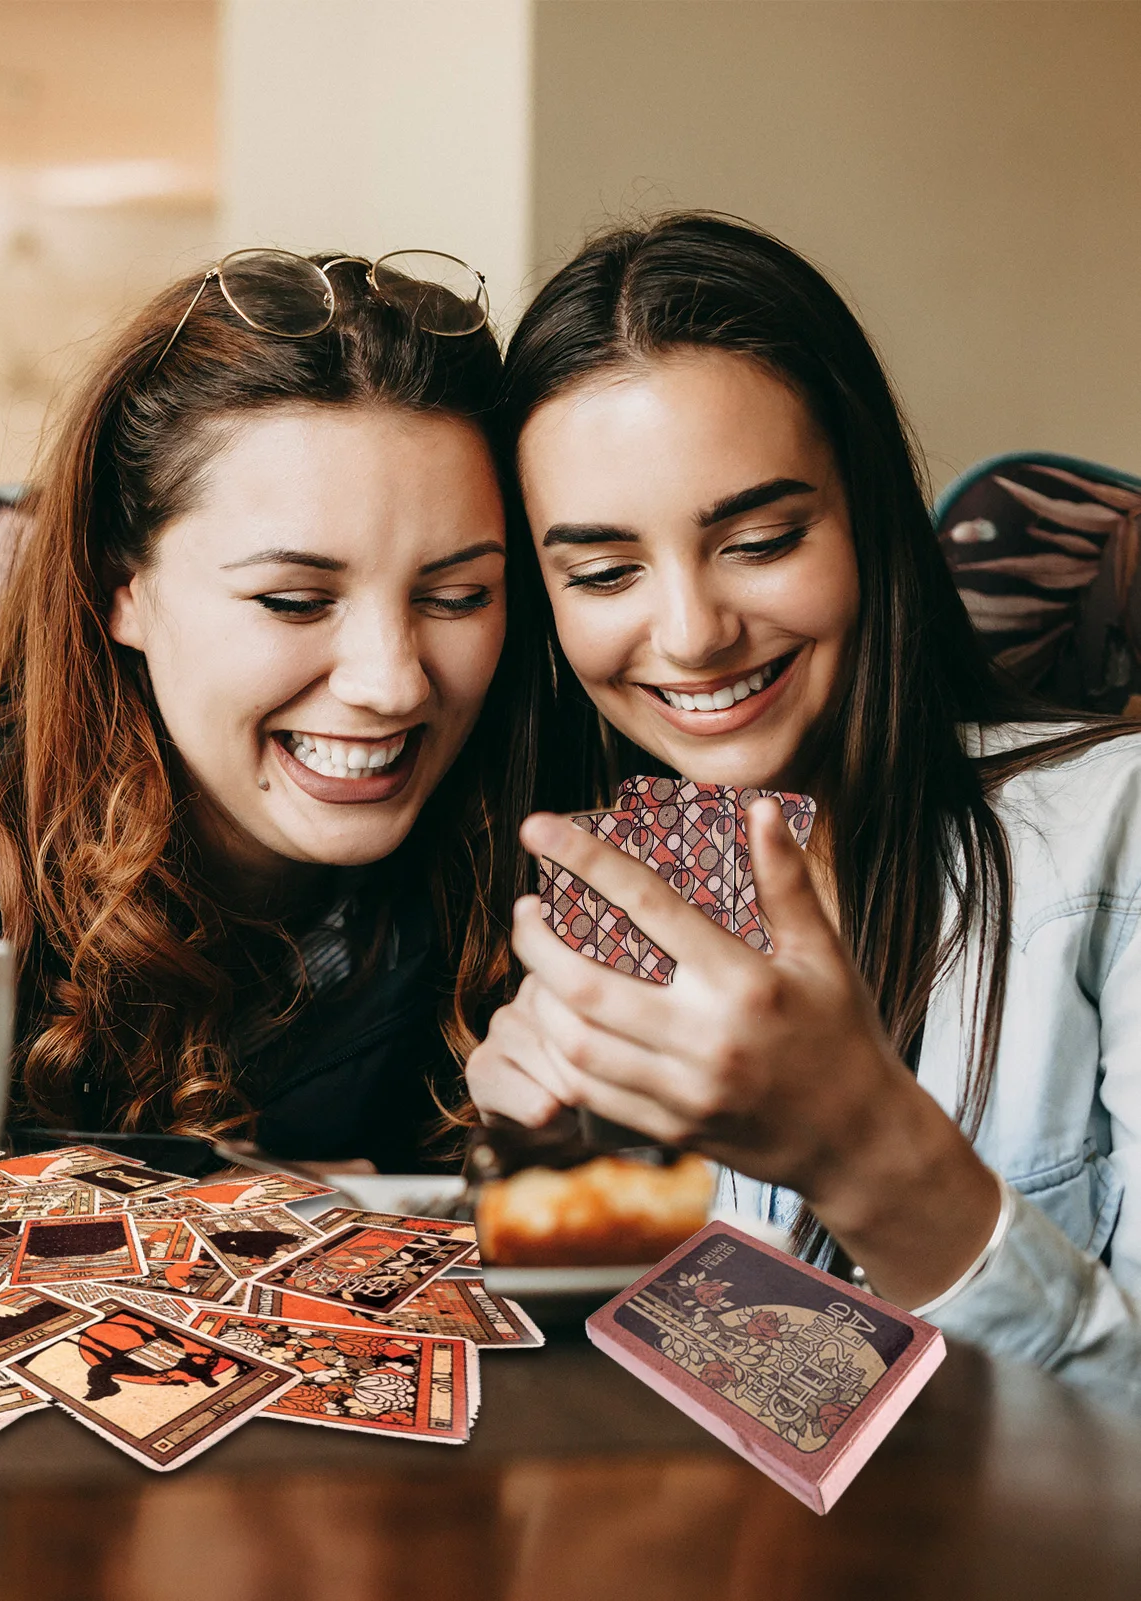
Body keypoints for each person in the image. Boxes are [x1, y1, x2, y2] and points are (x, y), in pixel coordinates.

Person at [469, 213, 1141, 1405]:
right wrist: (559, 1187)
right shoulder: (602, 879)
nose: (688, 634)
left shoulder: (1113, 828)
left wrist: (860, 1147)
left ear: (866, 514)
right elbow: (762, 1406)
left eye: (762, 539)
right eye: (604, 572)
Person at [0, 249, 538, 1173]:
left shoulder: (548, 838)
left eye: (458, 597)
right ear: (123, 587)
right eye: (293, 601)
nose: (392, 682)